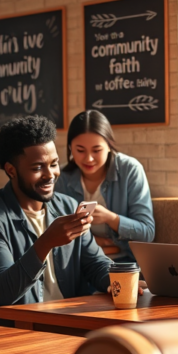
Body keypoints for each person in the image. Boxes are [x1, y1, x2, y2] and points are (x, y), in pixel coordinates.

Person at [0, 115, 115, 327]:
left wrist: (118, 281)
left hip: (70, 323)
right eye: (37, 168)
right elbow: (3, 291)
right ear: (11, 170)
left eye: (53, 164)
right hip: (20, 330)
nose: (50, 175)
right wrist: (45, 243)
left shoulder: (68, 207)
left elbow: (95, 264)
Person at [55, 110, 154, 262]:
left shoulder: (129, 170)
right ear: (70, 148)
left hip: (124, 263)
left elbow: (147, 232)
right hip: (79, 264)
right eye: (80, 150)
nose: (88, 158)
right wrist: (96, 242)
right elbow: (53, 232)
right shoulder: (60, 177)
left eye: (97, 150)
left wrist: (110, 218)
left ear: (109, 146)